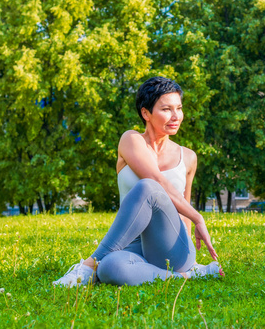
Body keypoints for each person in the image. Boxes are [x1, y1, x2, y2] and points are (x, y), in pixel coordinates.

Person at [53, 77, 223, 287]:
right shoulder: (130, 140)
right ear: (146, 113)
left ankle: (89, 265)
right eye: (166, 109)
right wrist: (199, 219)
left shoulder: (187, 157)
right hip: (130, 246)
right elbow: (154, 178)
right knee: (110, 268)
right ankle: (187, 277)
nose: (175, 116)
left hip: (170, 248)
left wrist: (192, 235)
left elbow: (181, 209)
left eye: (179, 108)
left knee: (148, 187)